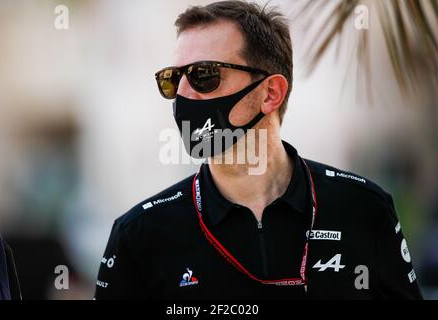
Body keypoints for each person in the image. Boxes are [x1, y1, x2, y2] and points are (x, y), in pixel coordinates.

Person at [95, 0, 422, 300]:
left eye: (204, 76)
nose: (183, 95)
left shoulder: (364, 209)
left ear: (270, 93)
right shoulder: (140, 234)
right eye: (173, 79)